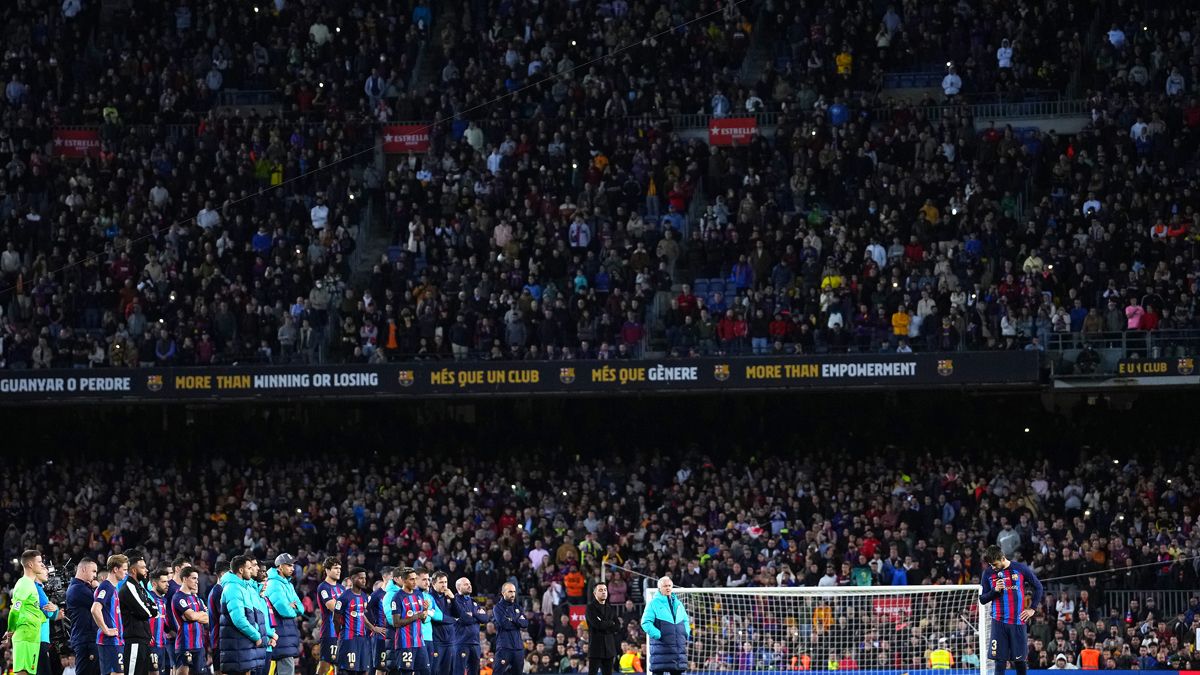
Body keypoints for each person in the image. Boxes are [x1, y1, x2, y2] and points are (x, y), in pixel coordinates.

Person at [979, 545, 1044, 675]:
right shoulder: (988, 573)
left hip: (1017, 622)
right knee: (1000, 661)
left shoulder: (1020, 569)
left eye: (995, 564)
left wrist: (1032, 609)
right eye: (990, 564)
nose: (993, 567)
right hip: (998, 622)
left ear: (1003, 558)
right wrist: (994, 591)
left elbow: (1038, 587)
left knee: (1019, 662)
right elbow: (983, 599)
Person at [219, 555, 274, 675]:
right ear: (241, 570)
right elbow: (239, 620)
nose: (252, 570)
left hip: (244, 644)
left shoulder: (244, 587)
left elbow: (254, 616)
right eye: (249, 568)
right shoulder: (232, 588)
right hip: (237, 644)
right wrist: (256, 636)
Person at [6, 550, 55, 675]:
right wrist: (11, 629)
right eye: (39, 562)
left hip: (33, 637)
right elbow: (15, 610)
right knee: (23, 672)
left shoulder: (32, 586)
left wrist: (53, 614)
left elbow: (34, 613)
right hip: (24, 636)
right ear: (30, 565)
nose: (41, 564)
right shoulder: (24, 584)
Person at [335, 567, 385, 674]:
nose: (364, 580)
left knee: (363, 670)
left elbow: (362, 615)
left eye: (365, 578)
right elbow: (336, 618)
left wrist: (372, 628)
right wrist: (339, 635)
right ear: (352, 579)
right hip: (349, 639)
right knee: (348, 670)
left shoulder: (364, 596)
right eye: (360, 578)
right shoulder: (344, 597)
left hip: (362, 639)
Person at [118, 552, 159, 675]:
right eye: (143, 567)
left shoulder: (140, 587)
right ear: (134, 570)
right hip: (134, 640)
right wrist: (147, 609)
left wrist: (147, 609)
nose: (146, 570)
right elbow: (145, 612)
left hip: (143, 640)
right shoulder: (129, 586)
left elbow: (155, 609)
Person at [639, 577, 690, 675]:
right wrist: (658, 635)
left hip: (677, 650)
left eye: (669, 586)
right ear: (659, 588)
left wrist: (685, 633)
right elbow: (645, 622)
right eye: (665, 586)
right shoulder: (653, 603)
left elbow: (686, 620)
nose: (668, 588)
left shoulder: (679, 603)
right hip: (660, 649)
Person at [263, 555, 302, 675]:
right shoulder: (274, 583)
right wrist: (291, 608)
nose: (292, 568)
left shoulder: (288, 584)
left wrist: (294, 608)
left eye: (293, 566)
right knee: (286, 668)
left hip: (287, 633)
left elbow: (300, 608)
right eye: (289, 565)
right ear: (280, 566)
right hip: (281, 633)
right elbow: (284, 610)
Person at [92, 555, 128, 675]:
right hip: (109, 641)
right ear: (115, 569)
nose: (126, 573)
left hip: (115, 641)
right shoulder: (106, 587)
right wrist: (106, 630)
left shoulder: (112, 588)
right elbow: (95, 609)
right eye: (124, 569)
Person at [388, 568, 428, 675]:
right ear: (404, 581)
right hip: (405, 643)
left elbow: (423, 620)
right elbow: (396, 623)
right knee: (407, 673)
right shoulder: (397, 598)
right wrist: (417, 616)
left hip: (419, 642)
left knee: (425, 671)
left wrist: (425, 610)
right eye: (411, 579)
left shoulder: (418, 594)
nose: (415, 582)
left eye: (415, 579)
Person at [170, 567, 208, 675]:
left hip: (199, 645)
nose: (197, 581)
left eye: (197, 578)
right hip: (185, 645)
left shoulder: (196, 598)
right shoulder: (178, 597)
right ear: (185, 579)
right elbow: (191, 616)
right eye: (194, 578)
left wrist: (197, 616)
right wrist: (197, 616)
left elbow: (207, 618)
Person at [66, 559, 100, 675]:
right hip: (86, 640)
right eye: (94, 571)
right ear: (84, 569)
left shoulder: (82, 588)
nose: (95, 576)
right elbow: (102, 602)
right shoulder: (78, 589)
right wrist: (97, 588)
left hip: (88, 639)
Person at [451, 579, 488, 675]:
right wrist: (476, 616)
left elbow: (484, 618)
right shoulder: (455, 602)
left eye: (470, 583)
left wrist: (472, 615)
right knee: (458, 672)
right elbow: (465, 619)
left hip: (475, 643)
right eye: (466, 584)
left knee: (475, 672)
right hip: (461, 643)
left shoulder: (474, 602)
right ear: (458, 587)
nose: (469, 586)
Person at [316, 558, 344, 675]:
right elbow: (332, 606)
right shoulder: (323, 587)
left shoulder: (341, 588)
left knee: (341, 666)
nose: (339, 571)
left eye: (340, 568)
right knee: (325, 665)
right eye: (335, 568)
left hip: (342, 632)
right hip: (329, 632)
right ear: (327, 570)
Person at [491, 583, 526, 675]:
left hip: (518, 648)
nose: (513, 594)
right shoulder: (497, 608)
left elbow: (525, 624)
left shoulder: (517, 607)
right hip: (504, 647)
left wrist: (512, 619)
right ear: (503, 593)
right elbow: (505, 624)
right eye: (510, 591)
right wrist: (517, 621)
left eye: (514, 591)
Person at [585, 583, 619, 675]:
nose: (603, 592)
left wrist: (604, 624)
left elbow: (617, 626)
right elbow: (597, 625)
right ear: (594, 593)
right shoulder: (590, 608)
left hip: (609, 648)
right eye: (600, 590)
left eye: (605, 590)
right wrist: (610, 623)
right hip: (595, 647)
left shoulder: (610, 608)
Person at [428, 573, 458, 675]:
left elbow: (459, 614)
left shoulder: (449, 596)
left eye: (445, 582)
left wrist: (453, 599)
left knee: (449, 671)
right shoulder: (429, 597)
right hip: (436, 640)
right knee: (435, 671)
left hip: (451, 640)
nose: (444, 585)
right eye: (441, 582)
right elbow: (436, 618)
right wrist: (453, 619)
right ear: (433, 583)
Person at [373, 568, 401, 675]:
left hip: (393, 635)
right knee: (381, 667)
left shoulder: (398, 593)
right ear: (385, 577)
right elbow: (365, 610)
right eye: (391, 576)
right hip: (381, 635)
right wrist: (374, 627)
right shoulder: (377, 594)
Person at [146, 568, 171, 675]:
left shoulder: (163, 600)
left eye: (167, 581)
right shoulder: (147, 598)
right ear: (154, 584)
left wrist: (169, 631)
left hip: (162, 644)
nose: (167, 584)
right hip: (151, 645)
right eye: (164, 582)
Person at [416, 571, 441, 675]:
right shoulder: (412, 596)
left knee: (428, 671)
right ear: (415, 579)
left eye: (428, 579)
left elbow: (440, 616)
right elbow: (422, 618)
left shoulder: (429, 597)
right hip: (416, 638)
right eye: (424, 579)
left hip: (428, 638)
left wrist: (428, 612)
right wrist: (429, 614)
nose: (427, 583)